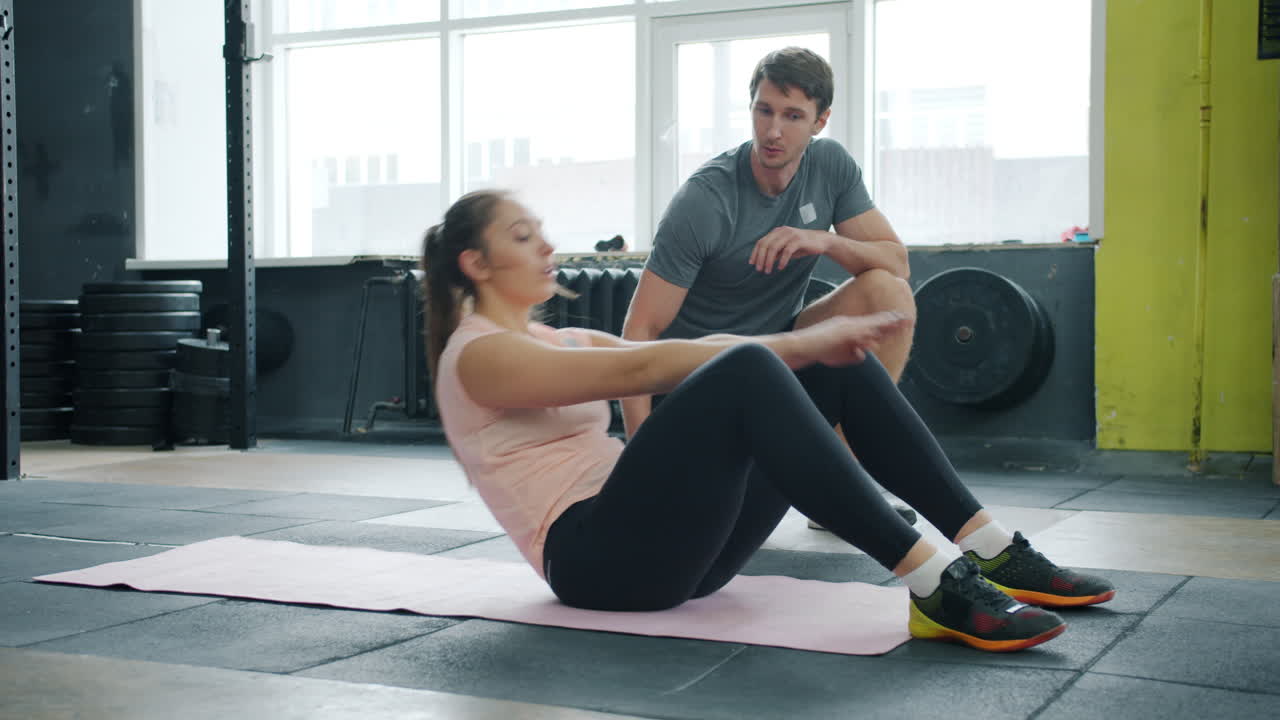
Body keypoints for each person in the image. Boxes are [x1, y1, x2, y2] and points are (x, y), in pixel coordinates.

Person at [421, 189, 1116, 653]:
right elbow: (642, 372)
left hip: (679, 555)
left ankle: (992, 546)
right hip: (599, 562)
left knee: (818, 367)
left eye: (542, 232)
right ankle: (935, 584)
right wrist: (795, 344)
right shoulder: (477, 358)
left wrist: (811, 349)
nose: (546, 247)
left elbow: (692, 353)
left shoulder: (560, 336)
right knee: (762, 367)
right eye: (522, 237)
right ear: (475, 263)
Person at [621, 46, 916, 528]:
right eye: (764, 110)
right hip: (702, 379)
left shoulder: (830, 167)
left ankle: (840, 484)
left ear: (820, 122)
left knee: (888, 293)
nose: (773, 130)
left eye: (793, 115)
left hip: (780, 354)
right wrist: (640, 457)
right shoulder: (704, 200)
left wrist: (822, 240)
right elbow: (640, 327)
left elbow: (896, 261)